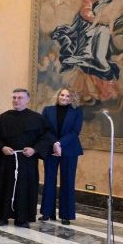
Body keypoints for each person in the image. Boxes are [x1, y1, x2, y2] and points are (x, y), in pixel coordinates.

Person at [0, 89, 55, 227]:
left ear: (27, 100)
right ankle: (2, 216)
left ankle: (22, 218)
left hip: (27, 160)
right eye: (14, 97)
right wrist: (2, 147)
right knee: (4, 186)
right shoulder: (3, 118)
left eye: (20, 98)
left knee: (25, 188)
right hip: (6, 159)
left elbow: (46, 137)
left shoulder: (37, 119)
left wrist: (34, 149)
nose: (16, 100)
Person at [40, 88, 84, 225]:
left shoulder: (77, 111)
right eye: (62, 95)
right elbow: (44, 130)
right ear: (58, 95)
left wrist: (59, 143)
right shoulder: (48, 110)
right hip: (51, 149)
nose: (64, 97)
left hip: (69, 149)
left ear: (72, 98)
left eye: (68, 96)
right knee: (49, 180)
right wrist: (54, 143)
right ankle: (47, 213)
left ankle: (66, 215)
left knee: (68, 181)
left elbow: (75, 131)